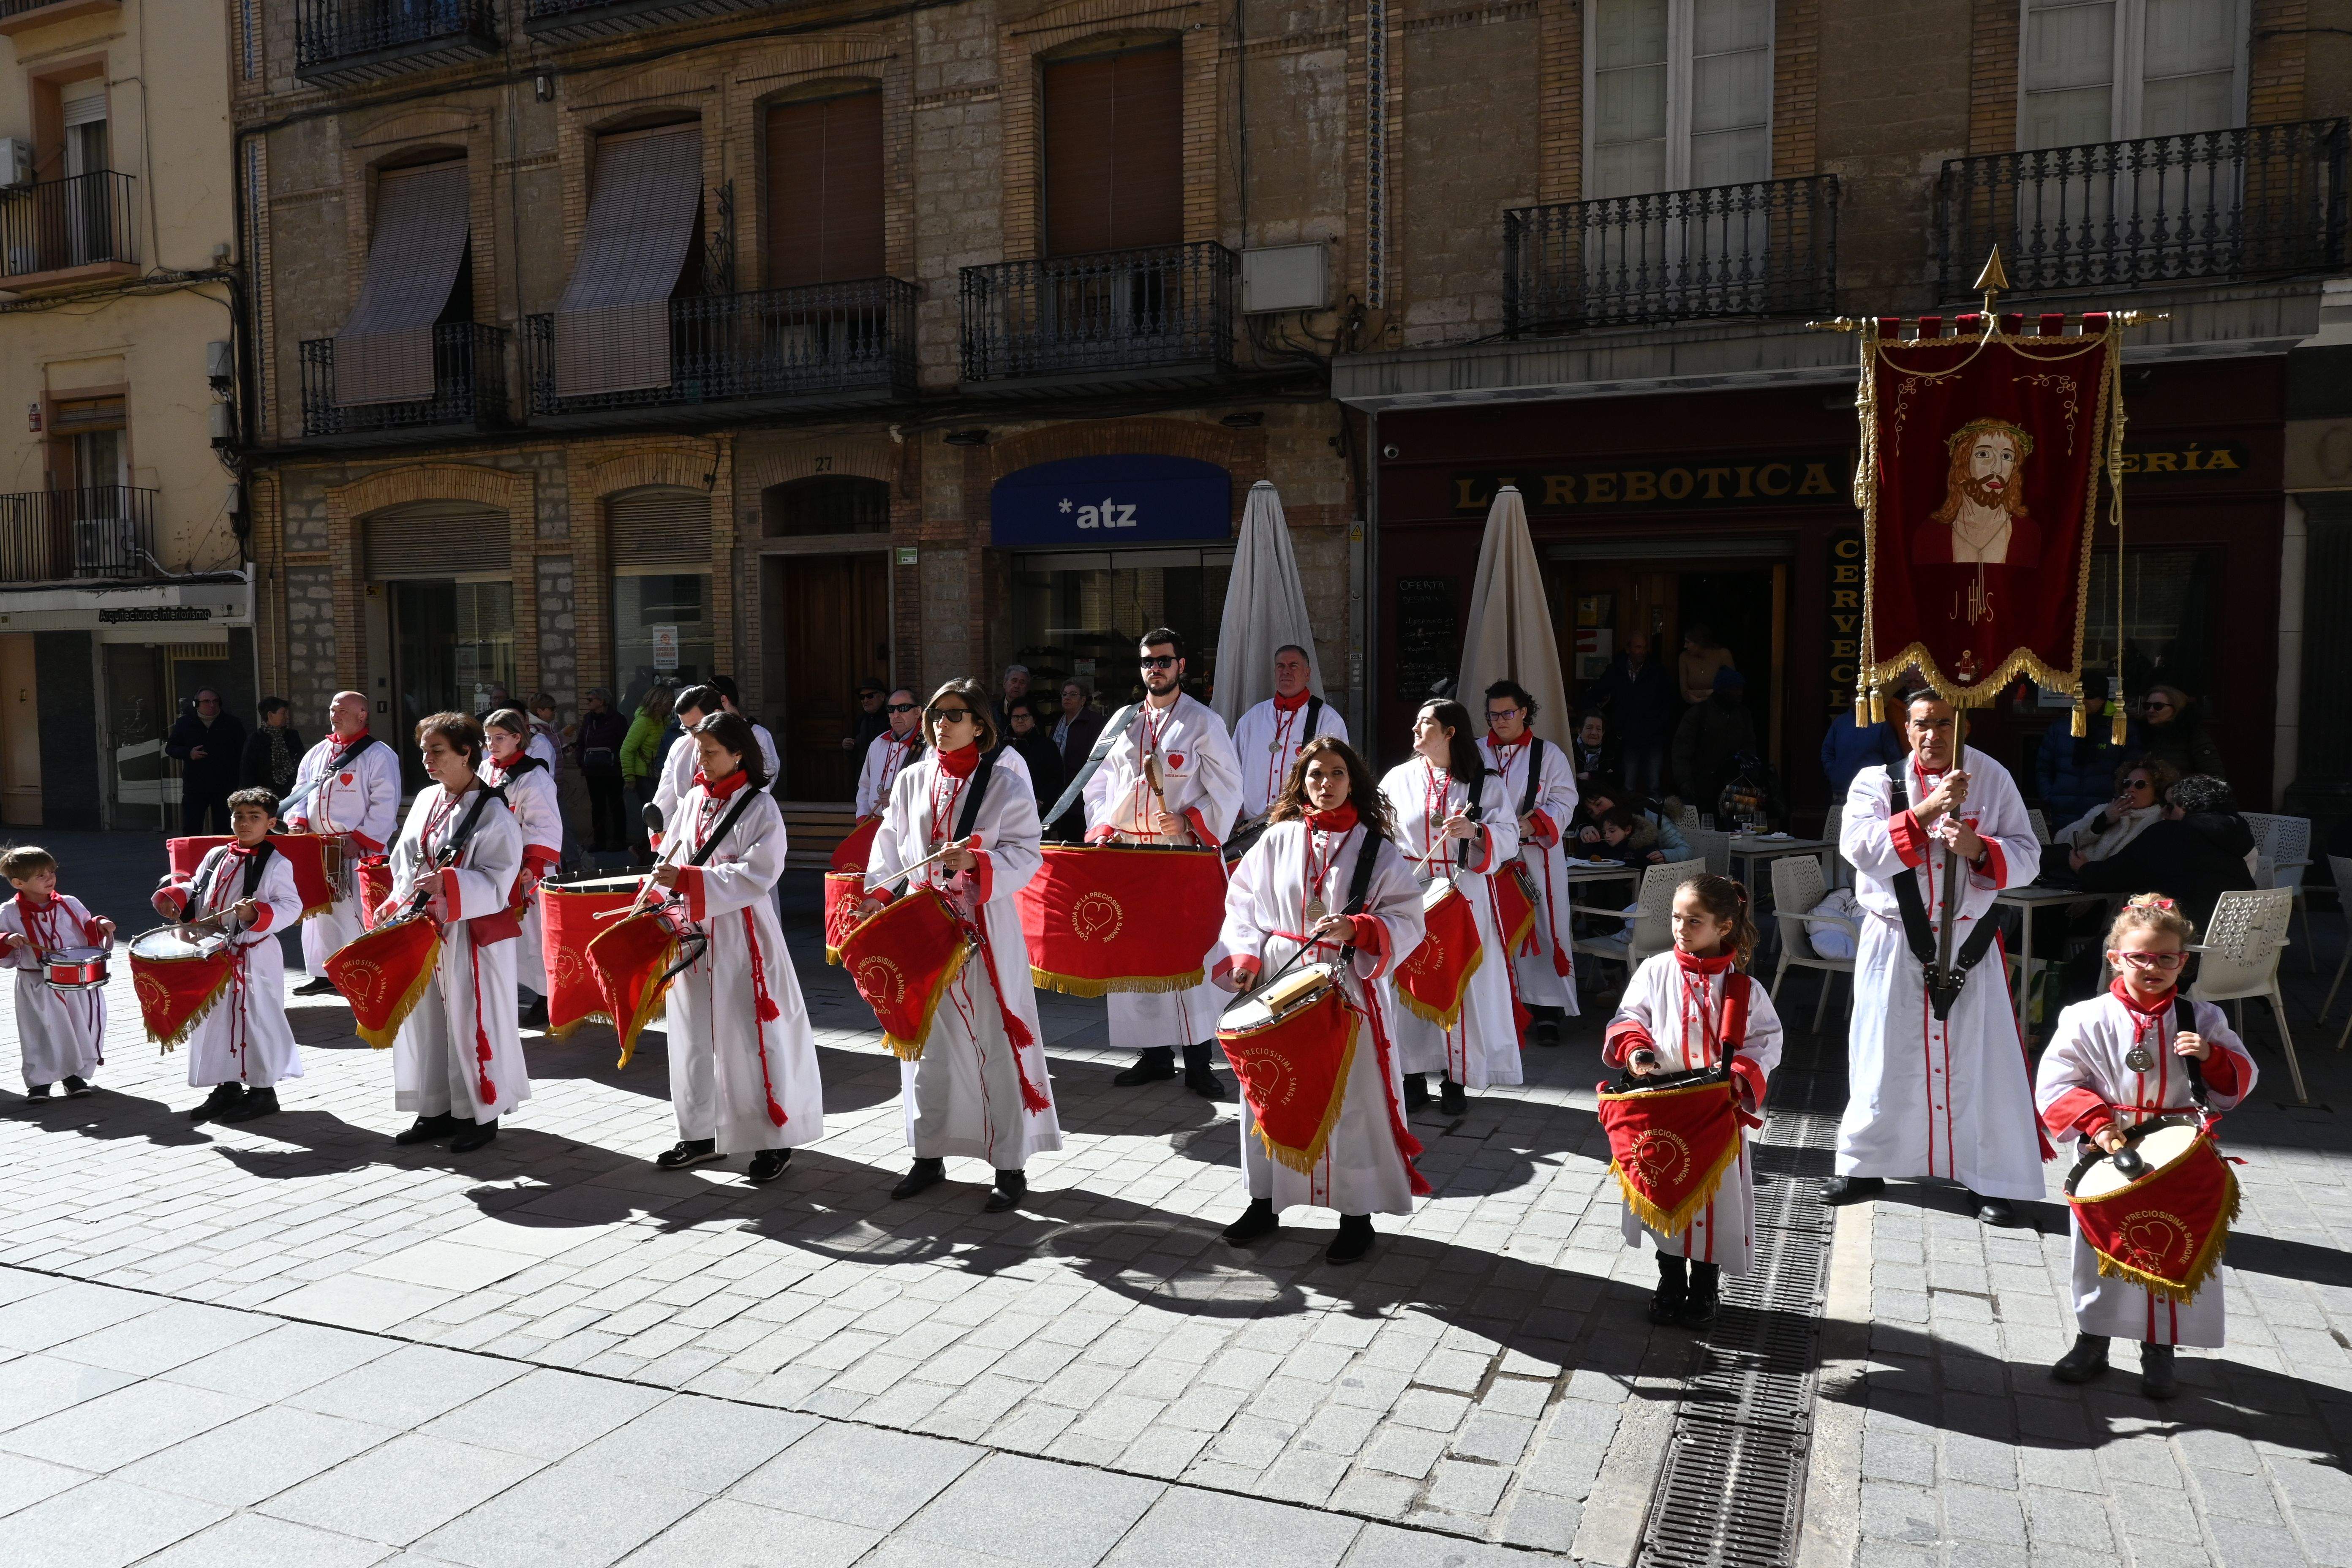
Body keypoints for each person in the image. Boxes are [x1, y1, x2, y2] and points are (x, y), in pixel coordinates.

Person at [1828, 691, 2045, 1226]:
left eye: (1945, 723)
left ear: (1963, 725)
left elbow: (2028, 856)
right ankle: (1866, 1164)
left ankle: (1986, 1177)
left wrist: (1978, 849)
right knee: (1883, 1052)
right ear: (1907, 728)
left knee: (1978, 1061)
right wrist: (1926, 811)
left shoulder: (1993, 777)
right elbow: (1861, 850)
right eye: (1923, 724)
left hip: (1969, 939)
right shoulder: (1875, 782)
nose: (1933, 735)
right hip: (1894, 937)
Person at [1211, 735, 1429, 1264]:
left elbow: (1409, 917)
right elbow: (1241, 905)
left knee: (1351, 1100)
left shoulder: (1376, 847)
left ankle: (1356, 1217)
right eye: (1315, 774)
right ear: (1301, 782)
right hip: (1277, 977)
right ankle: (1265, 1201)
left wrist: (1359, 928)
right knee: (1271, 1089)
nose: (1325, 783)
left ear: (1352, 781)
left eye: (1336, 773)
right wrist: (1245, 958)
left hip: (1344, 984)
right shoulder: (1276, 838)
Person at [2036, 895, 2256, 1397]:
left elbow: (2240, 1081)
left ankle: (2160, 1349)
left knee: (2175, 1246)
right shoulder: (2086, 1016)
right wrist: (2098, 1125)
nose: (2152, 967)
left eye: (2166, 958)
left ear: (2183, 961)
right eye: (2140, 957)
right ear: (2116, 957)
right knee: (2101, 1251)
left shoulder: (2202, 1018)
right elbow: (2057, 1083)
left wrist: (2211, 1056)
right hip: (2108, 1153)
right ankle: (2093, 1339)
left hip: (2178, 1156)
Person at [862, 682, 1061, 1210]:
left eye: (955, 715)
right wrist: (877, 895)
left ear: (979, 725)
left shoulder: (1005, 782)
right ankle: (928, 1154)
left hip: (984, 924)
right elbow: (889, 842)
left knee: (996, 1040)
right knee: (927, 1042)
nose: (942, 724)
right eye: (936, 715)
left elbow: (1028, 852)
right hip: (923, 923)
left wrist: (978, 862)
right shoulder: (912, 779)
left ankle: (1009, 1163)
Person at [1601, 873, 1785, 1328]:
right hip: (1662, 1108)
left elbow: (1766, 1039)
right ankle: (1670, 1281)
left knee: (1714, 1203)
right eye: (1676, 918)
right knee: (1664, 1192)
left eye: (1694, 920)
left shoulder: (1745, 989)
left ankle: (1704, 1287)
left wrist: (1739, 1076)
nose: (1681, 928)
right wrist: (1635, 1050)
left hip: (1714, 1113)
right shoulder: (1655, 970)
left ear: (1724, 926)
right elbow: (1629, 1016)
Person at [647, 712, 823, 1185]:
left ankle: (772, 1140)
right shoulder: (692, 800)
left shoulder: (761, 807)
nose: (701, 761)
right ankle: (699, 1134)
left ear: (739, 753)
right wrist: (655, 893)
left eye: (710, 752)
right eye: (698, 752)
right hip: (691, 932)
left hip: (744, 934)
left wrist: (690, 879)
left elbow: (760, 872)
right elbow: (670, 856)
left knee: (751, 1034)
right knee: (691, 1034)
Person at [1083, 629, 1244, 1097]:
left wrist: (1191, 820)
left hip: (1181, 856)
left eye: (1164, 660)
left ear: (1181, 666)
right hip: (1128, 856)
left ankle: (1199, 1063)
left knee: (1190, 958)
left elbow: (1230, 787)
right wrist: (1102, 828)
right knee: (1136, 959)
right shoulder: (1122, 721)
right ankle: (1153, 1057)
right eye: (1148, 661)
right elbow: (1098, 783)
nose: (1155, 668)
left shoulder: (1203, 721)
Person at [381, 712, 527, 1153]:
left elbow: (500, 879)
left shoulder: (494, 811)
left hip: (469, 935)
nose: (427, 759)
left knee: (470, 1020)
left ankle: (478, 1114)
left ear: (466, 753)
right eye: (424, 751)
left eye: (437, 750)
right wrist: (397, 898)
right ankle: (435, 1109)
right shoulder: (427, 798)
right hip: (422, 929)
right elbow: (405, 860)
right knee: (425, 1020)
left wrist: (450, 883)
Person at [1380, 697, 1522, 1116]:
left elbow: (1510, 837)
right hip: (1410, 895)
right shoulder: (1398, 778)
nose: (1415, 730)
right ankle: (1410, 1077)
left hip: (1465, 897)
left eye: (1425, 723)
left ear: (1450, 732)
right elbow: (1377, 832)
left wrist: (1475, 830)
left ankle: (1455, 1078)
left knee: (1462, 986)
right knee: (1408, 984)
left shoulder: (1484, 783)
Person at [152, 787, 304, 1124]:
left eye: (255, 817)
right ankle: (227, 1086)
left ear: (271, 823)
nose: (245, 823)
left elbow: (291, 906)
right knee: (215, 1021)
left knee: (257, 1021)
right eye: (239, 816)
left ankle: (263, 1092)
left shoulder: (277, 863)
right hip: (213, 955)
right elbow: (198, 887)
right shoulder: (217, 854)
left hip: (252, 955)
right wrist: (177, 896)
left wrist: (256, 914)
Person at [1480, 678, 1579, 1047]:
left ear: (1524, 712)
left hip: (1534, 855)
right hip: (1488, 856)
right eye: (1494, 715)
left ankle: (1547, 1010)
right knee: (1492, 928)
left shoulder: (1549, 754)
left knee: (1541, 927)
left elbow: (1565, 800)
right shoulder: (1476, 751)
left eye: (1507, 713)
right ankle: (1501, 1008)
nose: (1500, 721)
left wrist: (1530, 824)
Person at [284, 691, 402, 996]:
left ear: (363, 714)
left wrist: (360, 839)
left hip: (358, 849)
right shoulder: (317, 753)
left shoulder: (379, 754)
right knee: (320, 914)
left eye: (343, 711)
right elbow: (300, 792)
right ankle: (323, 972)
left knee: (358, 912)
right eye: (333, 710)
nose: (335, 715)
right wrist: (297, 823)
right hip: (319, 847)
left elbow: (386, 802)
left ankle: (364, 970)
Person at [2071, 774, 2254, 935]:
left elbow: (2115, 875)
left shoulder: (2171, 833)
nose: (2164, 813)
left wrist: (2084, 869)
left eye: (2170, 806)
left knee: (2098, 953)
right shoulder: (2235, 836)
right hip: (2233, 943)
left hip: (2178, 943)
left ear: (2184, 807)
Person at [1, 844, 110, 1100]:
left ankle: (74, 1077)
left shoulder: (69, 903)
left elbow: (86, 926)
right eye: (41, 875)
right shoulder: (8, 911)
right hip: (36, 982)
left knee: (77, 1026)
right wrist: (6, 938)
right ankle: (39, 1082)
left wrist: (100, 924)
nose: (50, 878)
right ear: (18, 883)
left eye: (51, 872)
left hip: (74, 981)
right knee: (40, 1030)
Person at [484, 710, 563, 1030]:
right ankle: (505, 992)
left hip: (526, 871)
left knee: (533, 936)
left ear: (518, 738)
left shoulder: (534, 776)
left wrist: (533, 864)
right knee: (501, 934)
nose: (492, 744)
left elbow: (544, 824)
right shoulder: (485, 770)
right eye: (489, 738)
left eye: (500, 738)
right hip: (493, 865)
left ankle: (546, 997)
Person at [1232, 643, 1350, 820]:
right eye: (1281, 666)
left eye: (1293, 666)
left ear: (1307, 674)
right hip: (1252, 826)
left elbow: (1339, 777)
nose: (1286, 671)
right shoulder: (1252, 718)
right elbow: (1232, 770)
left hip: (1301, 824)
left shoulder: (1328, 721)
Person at [653, 680, 779, 833]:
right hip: (688, 833)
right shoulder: (681, 746)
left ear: (717, 715)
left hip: (736, 829)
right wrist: (663, 837)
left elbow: (762, 787)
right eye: (687, 729)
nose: (694, 735)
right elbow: (665, 802)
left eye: (697, 726)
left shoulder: (754, 736)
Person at [1587, 632, 1675, 797]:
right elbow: (1598, 692)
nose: (1643, 652)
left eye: (1645, 647)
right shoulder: (1617, 670)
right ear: (1628, 649)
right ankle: (1627, 813)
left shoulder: (1657, 671)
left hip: (1653, 734)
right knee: (1628, 786)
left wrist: (1660, 724)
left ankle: (1655, 814)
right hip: (1628, 735)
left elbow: (1668, 701)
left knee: (1654, 785)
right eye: (1638, 647)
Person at [2053, 758, 2178, 863]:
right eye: (2127, 783)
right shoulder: (2104, 810)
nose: (2131, 789)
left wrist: (2087, 870)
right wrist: (2101, 822)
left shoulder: (2158, 820)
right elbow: (2061, 842)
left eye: (2140, 785)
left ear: (2157, 791)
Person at [1672, 667, 1758, 819]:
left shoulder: (1743, 715)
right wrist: (1684, 781)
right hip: (1703, 785)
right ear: (1722, 690)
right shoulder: (1699, 714)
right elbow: (1682, 750)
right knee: (1706, 825)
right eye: (1734, 689)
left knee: (1737, 827)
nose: (1739, 693)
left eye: (1740, 689)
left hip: (1735, 785)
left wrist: (1749, 775)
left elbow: (1750, 746)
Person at [166, 688, 248, 836]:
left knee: (224, 828)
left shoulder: (232, 723)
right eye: (207, 702)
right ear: (196, 704)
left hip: (224, 785)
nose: (212, 705)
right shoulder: (185, 723)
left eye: (215, 701)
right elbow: (171, 748)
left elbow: (243, 752)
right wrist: (189, 753)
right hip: (196, 785)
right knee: (192, 827)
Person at [2035, 718, 2142, 825]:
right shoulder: (2060, 727)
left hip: (2105, 813)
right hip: (2063, 812)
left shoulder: (2122, 726)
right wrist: (2051, 798)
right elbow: (2044, 769)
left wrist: (2116, 804)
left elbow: (2129, 771)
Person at [1576, 778, 1693, 863]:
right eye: (1591, 812)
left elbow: (1686, 850)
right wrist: (1583, 829)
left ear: (1610, 797)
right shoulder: (1593, 824)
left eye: (1599, 804)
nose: (1597, 812)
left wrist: (1665, 855)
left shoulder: (1648, 812)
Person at [622, 685, 675, 860]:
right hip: (644, 777)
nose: (673, 706)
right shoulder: (644, 722)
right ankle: (646, 854)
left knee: (660, 815)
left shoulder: (664, 721)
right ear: (660, 702)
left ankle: (643, 849)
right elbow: (626, 750)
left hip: (656, 775)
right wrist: (629, 777)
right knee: (654, 816)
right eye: (671, 702)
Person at [575, 687, 630, 852]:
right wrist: (581, 760)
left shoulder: (618, 719)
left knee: (616, 805)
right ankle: (599, 841)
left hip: (612, 770)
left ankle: (619, 840)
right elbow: (581, 741)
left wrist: (619, 764)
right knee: (597, 806)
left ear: (602, 701)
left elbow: (624, 743)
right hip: (592, 770)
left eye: (591, 700)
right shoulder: (588, 719)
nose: (588, 703)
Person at [855, 688, 924, 819]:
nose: (896, 715)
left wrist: (899, 798)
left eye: (903, 708)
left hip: (910, 825)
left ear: (917, 712)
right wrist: (863, 817)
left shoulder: (929, 745)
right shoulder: (878, 743)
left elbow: (933, 791)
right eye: (891, 709)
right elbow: (865, 786)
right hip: (875, 823)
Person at [2137, 685, 2226, 780]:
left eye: (2158, 706)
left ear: (2175, 709)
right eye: (2147, 706)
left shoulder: (2193, 735)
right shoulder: (2144, 735)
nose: (2151, 710)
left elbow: (2214, 775)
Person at [1821, 705, 1906, 803]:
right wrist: (1834, 774)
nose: (1858, 700)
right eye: (1854, 697)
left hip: (1873, 794)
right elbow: (1827, 752)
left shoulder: (1881, 724)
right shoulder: (1840, 722)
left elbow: (1894, 760)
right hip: (1842, 793)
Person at [1004, 697, 1065, 819]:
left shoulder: (1047, 746)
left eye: (1025, 716)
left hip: (1038, 812)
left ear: (1034, 719)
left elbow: (1056, 779)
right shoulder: (1003, 746)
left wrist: (1042, 801)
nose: (1020, 721)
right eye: (1016, 717)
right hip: (1007, 811)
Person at [240, 697, 305, 798]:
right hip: (265, 797)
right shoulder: (255, 740)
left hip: (292, 794)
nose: (287, 717)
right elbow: (247, 774)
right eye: (283, 713)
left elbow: (303, 763)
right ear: (270, 715)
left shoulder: (292, 736)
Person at [1678, 626, 1736, 706]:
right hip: (1694, 708)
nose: (1685, 646)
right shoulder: (1684, 657)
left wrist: (1699, 696)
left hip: (1721, 707)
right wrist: (1708, 693)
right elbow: (1685, 693)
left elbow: (1731, 688)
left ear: (1700, 643)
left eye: (1688, 642)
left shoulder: (1723, 655)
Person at [841, 682, 889, 754]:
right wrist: (849, 747)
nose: (865, 701)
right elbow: (856, 754)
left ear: (882, 697)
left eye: (870, 696)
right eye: (862, 697)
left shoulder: (892, 718)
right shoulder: (860, 720)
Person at [1570, 711, 1613, 789]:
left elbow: (1618, 780)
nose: (1594, 733)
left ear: (1603, 733)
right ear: (1579, 731)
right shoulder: (1569, 753)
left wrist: (1590, 776)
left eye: (1599, 729)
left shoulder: (1611, 754)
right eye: (1589, 728)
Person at [995, 664, 1032, 733]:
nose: (1017, 686)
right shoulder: (992, 711)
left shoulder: (1033, 712)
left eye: (1022, 683)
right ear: (1004, 683)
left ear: (1027, 688)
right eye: (1014, 681)